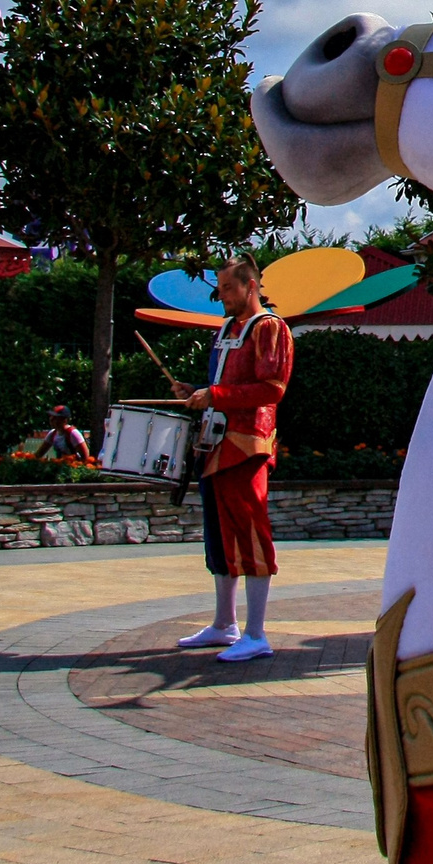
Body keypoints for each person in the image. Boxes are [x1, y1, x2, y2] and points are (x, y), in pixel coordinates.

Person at [175, 256, 293, 662]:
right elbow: (224, 384)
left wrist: (216, 396)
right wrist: (197, 391)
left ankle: (257, 634)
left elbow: (272, 388)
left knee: (250, 533)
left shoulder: (270, 328)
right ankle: (225, 623)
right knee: (219, 536)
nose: (221, 296)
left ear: (251, 286)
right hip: (216, 444)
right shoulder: (228, 328)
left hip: (248, 445)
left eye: (227, 288)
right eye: (221, 288)